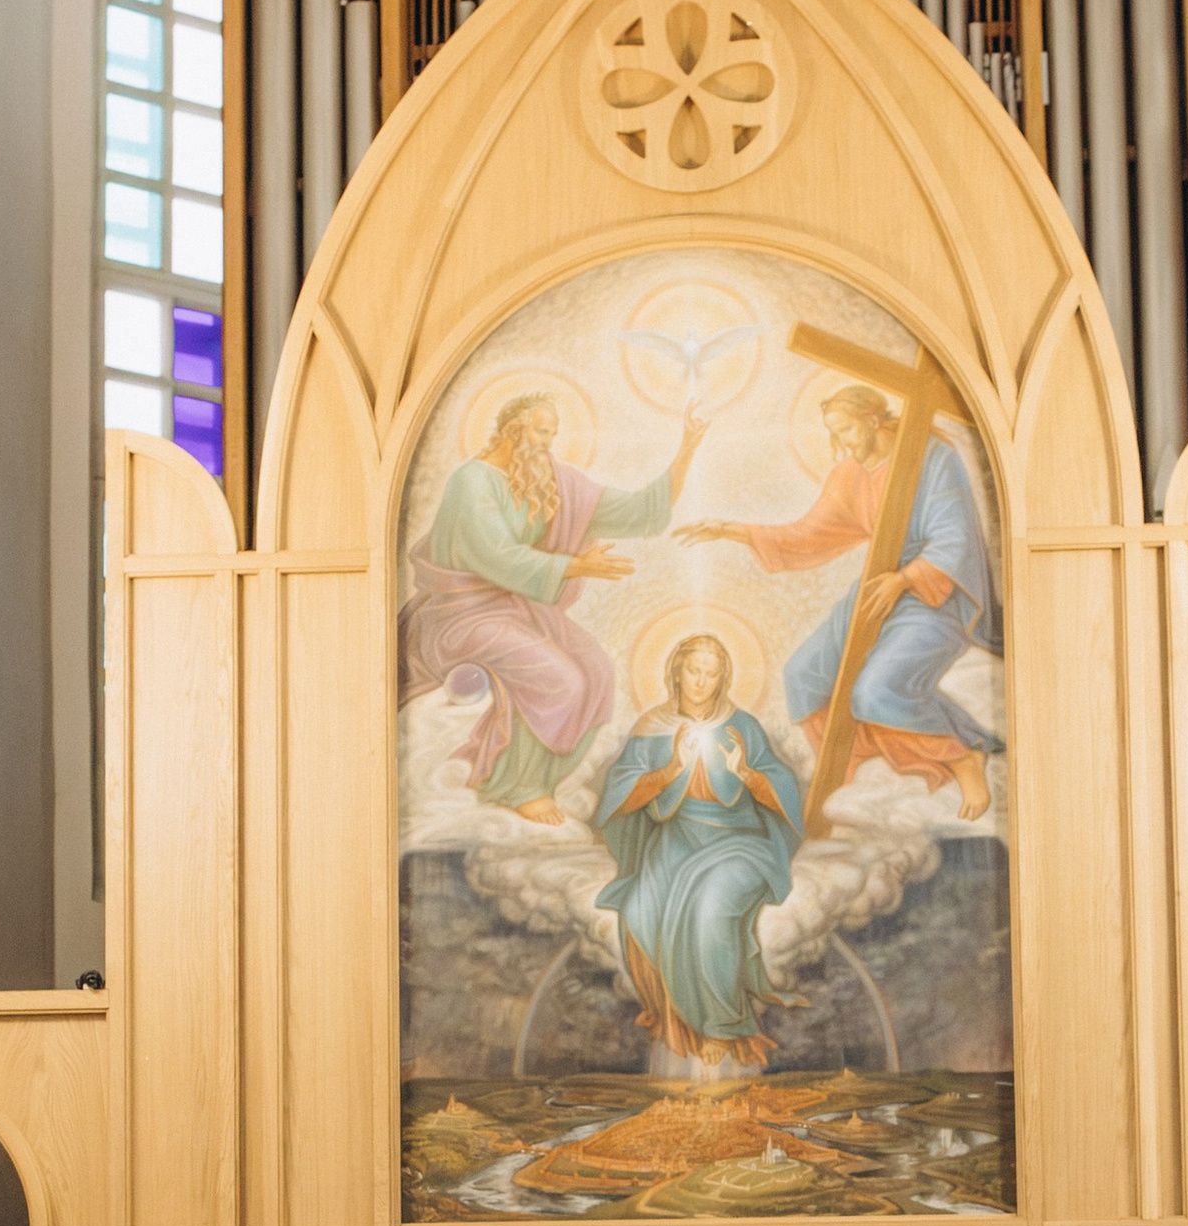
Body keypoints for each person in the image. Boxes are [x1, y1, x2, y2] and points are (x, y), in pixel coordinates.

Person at [686, 380, 1002, 818]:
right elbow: (808, 536)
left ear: (873, 419)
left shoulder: (933, 458)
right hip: (877, 589)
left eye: (847, 430)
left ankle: (965, 757)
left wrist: (905, 578)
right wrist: (731, 530)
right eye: (834, 434)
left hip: (934, 593)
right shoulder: (849, 475)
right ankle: (852, 772)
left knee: (874, 691)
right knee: (803, 676)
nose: (843, 444)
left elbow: (955, 539)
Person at [399, 387, 707, 823]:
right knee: (560, 679)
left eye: (552, 434)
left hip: (517, 608)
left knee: (597, 672)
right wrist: (576, 565)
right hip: (460, 614)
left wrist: (686, 451)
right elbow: (496, 556)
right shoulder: (472, 481)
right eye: (541, 432)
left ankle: (541, 780)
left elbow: (638, 512)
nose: (548, 443)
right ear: (513, 430)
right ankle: (515, 786)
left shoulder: (549, 482)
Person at [593, 633, 805, 1073]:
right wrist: (670, 769)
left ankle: (723, 1025)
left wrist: (746, 774)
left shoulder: (742, 727)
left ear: (723, 678)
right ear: (677, 672)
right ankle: (677, 1021)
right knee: (638, 908)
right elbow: (619, 798)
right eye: (694, 671)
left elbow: (784, 792)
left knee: (710, 907)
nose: (701, 682)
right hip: (677, 839)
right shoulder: (653, 727)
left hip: (740, 841)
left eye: (711, 674)